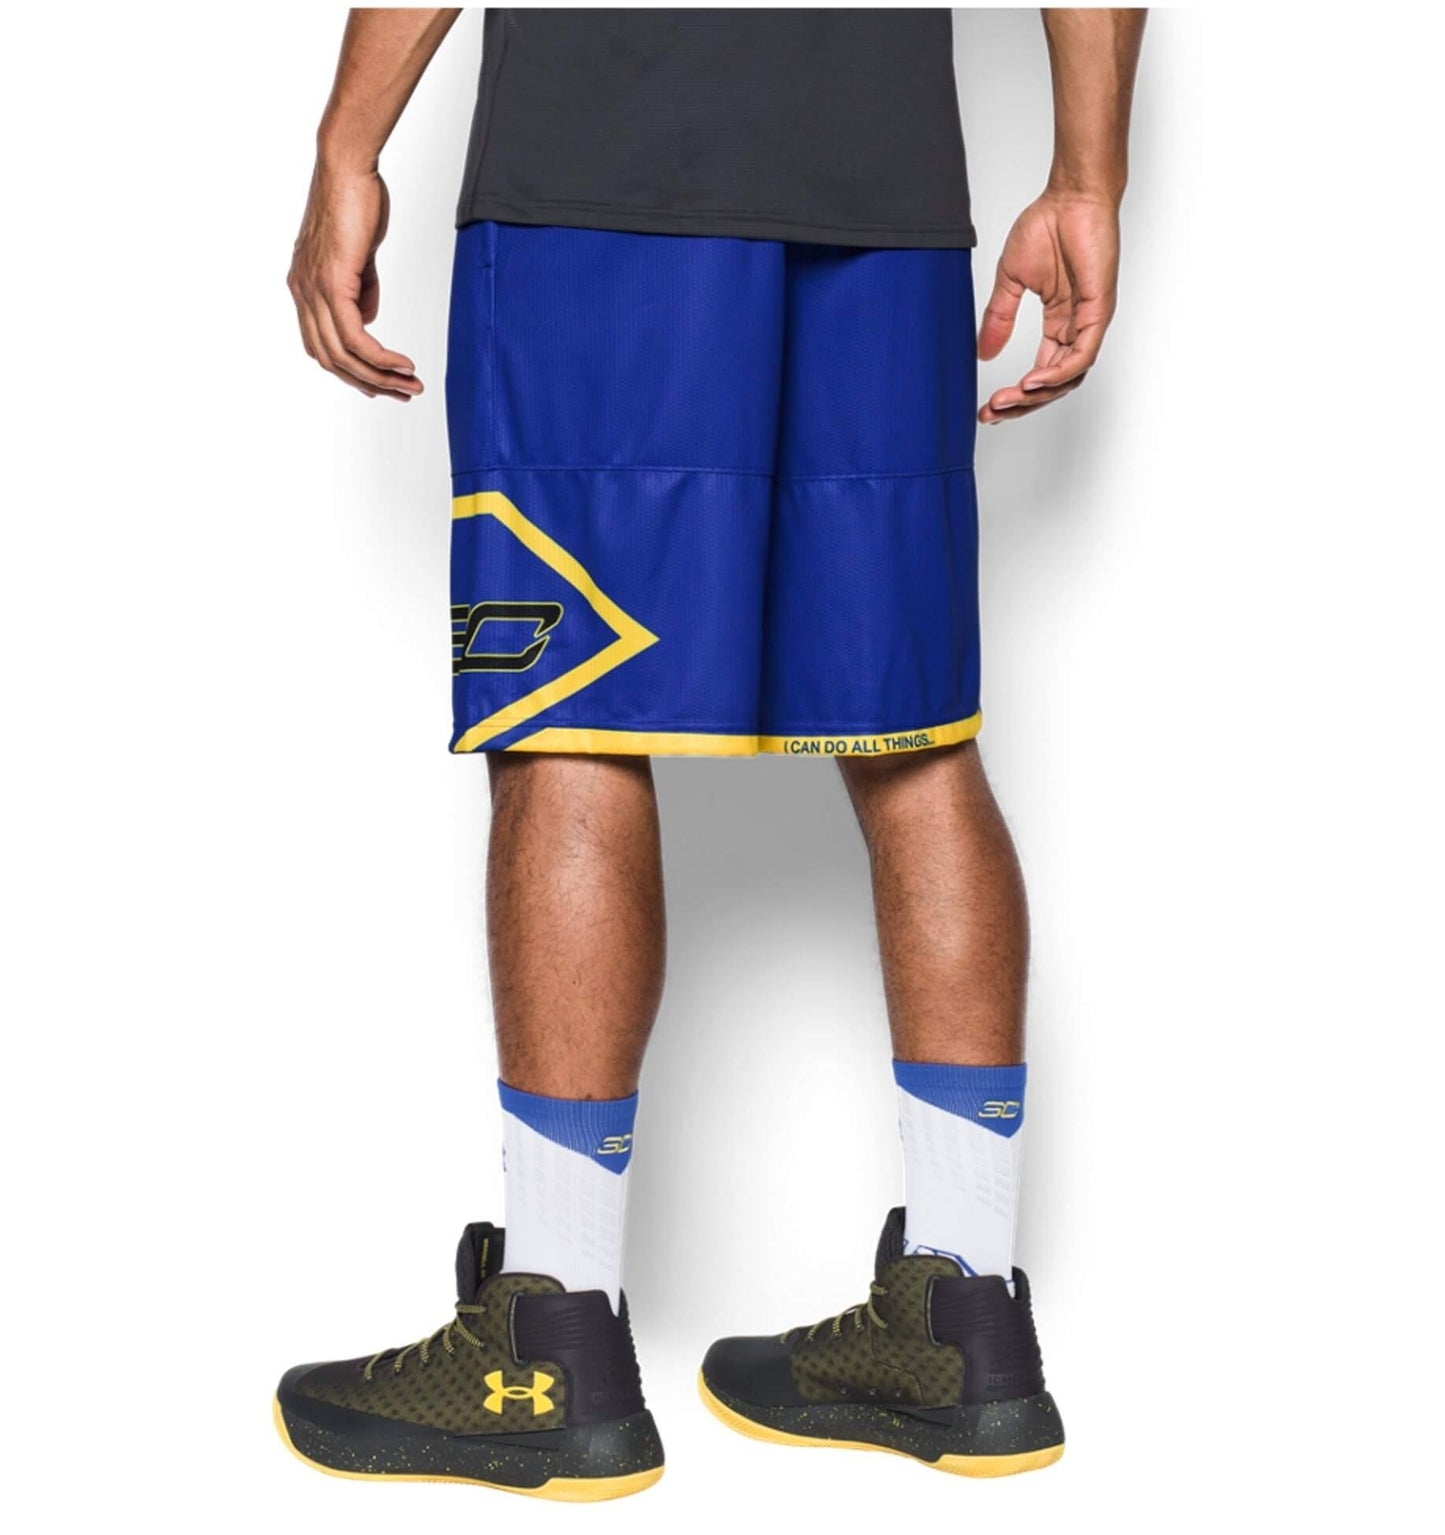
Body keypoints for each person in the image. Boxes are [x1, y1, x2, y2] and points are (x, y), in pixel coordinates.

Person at [277, 7, 1146, 1501]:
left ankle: (548, 1338)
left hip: (602, 171)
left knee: (571, 709)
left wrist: (346, 145)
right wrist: (1085, 179)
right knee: (913, 732)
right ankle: (964, 1319)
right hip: (881, 193)